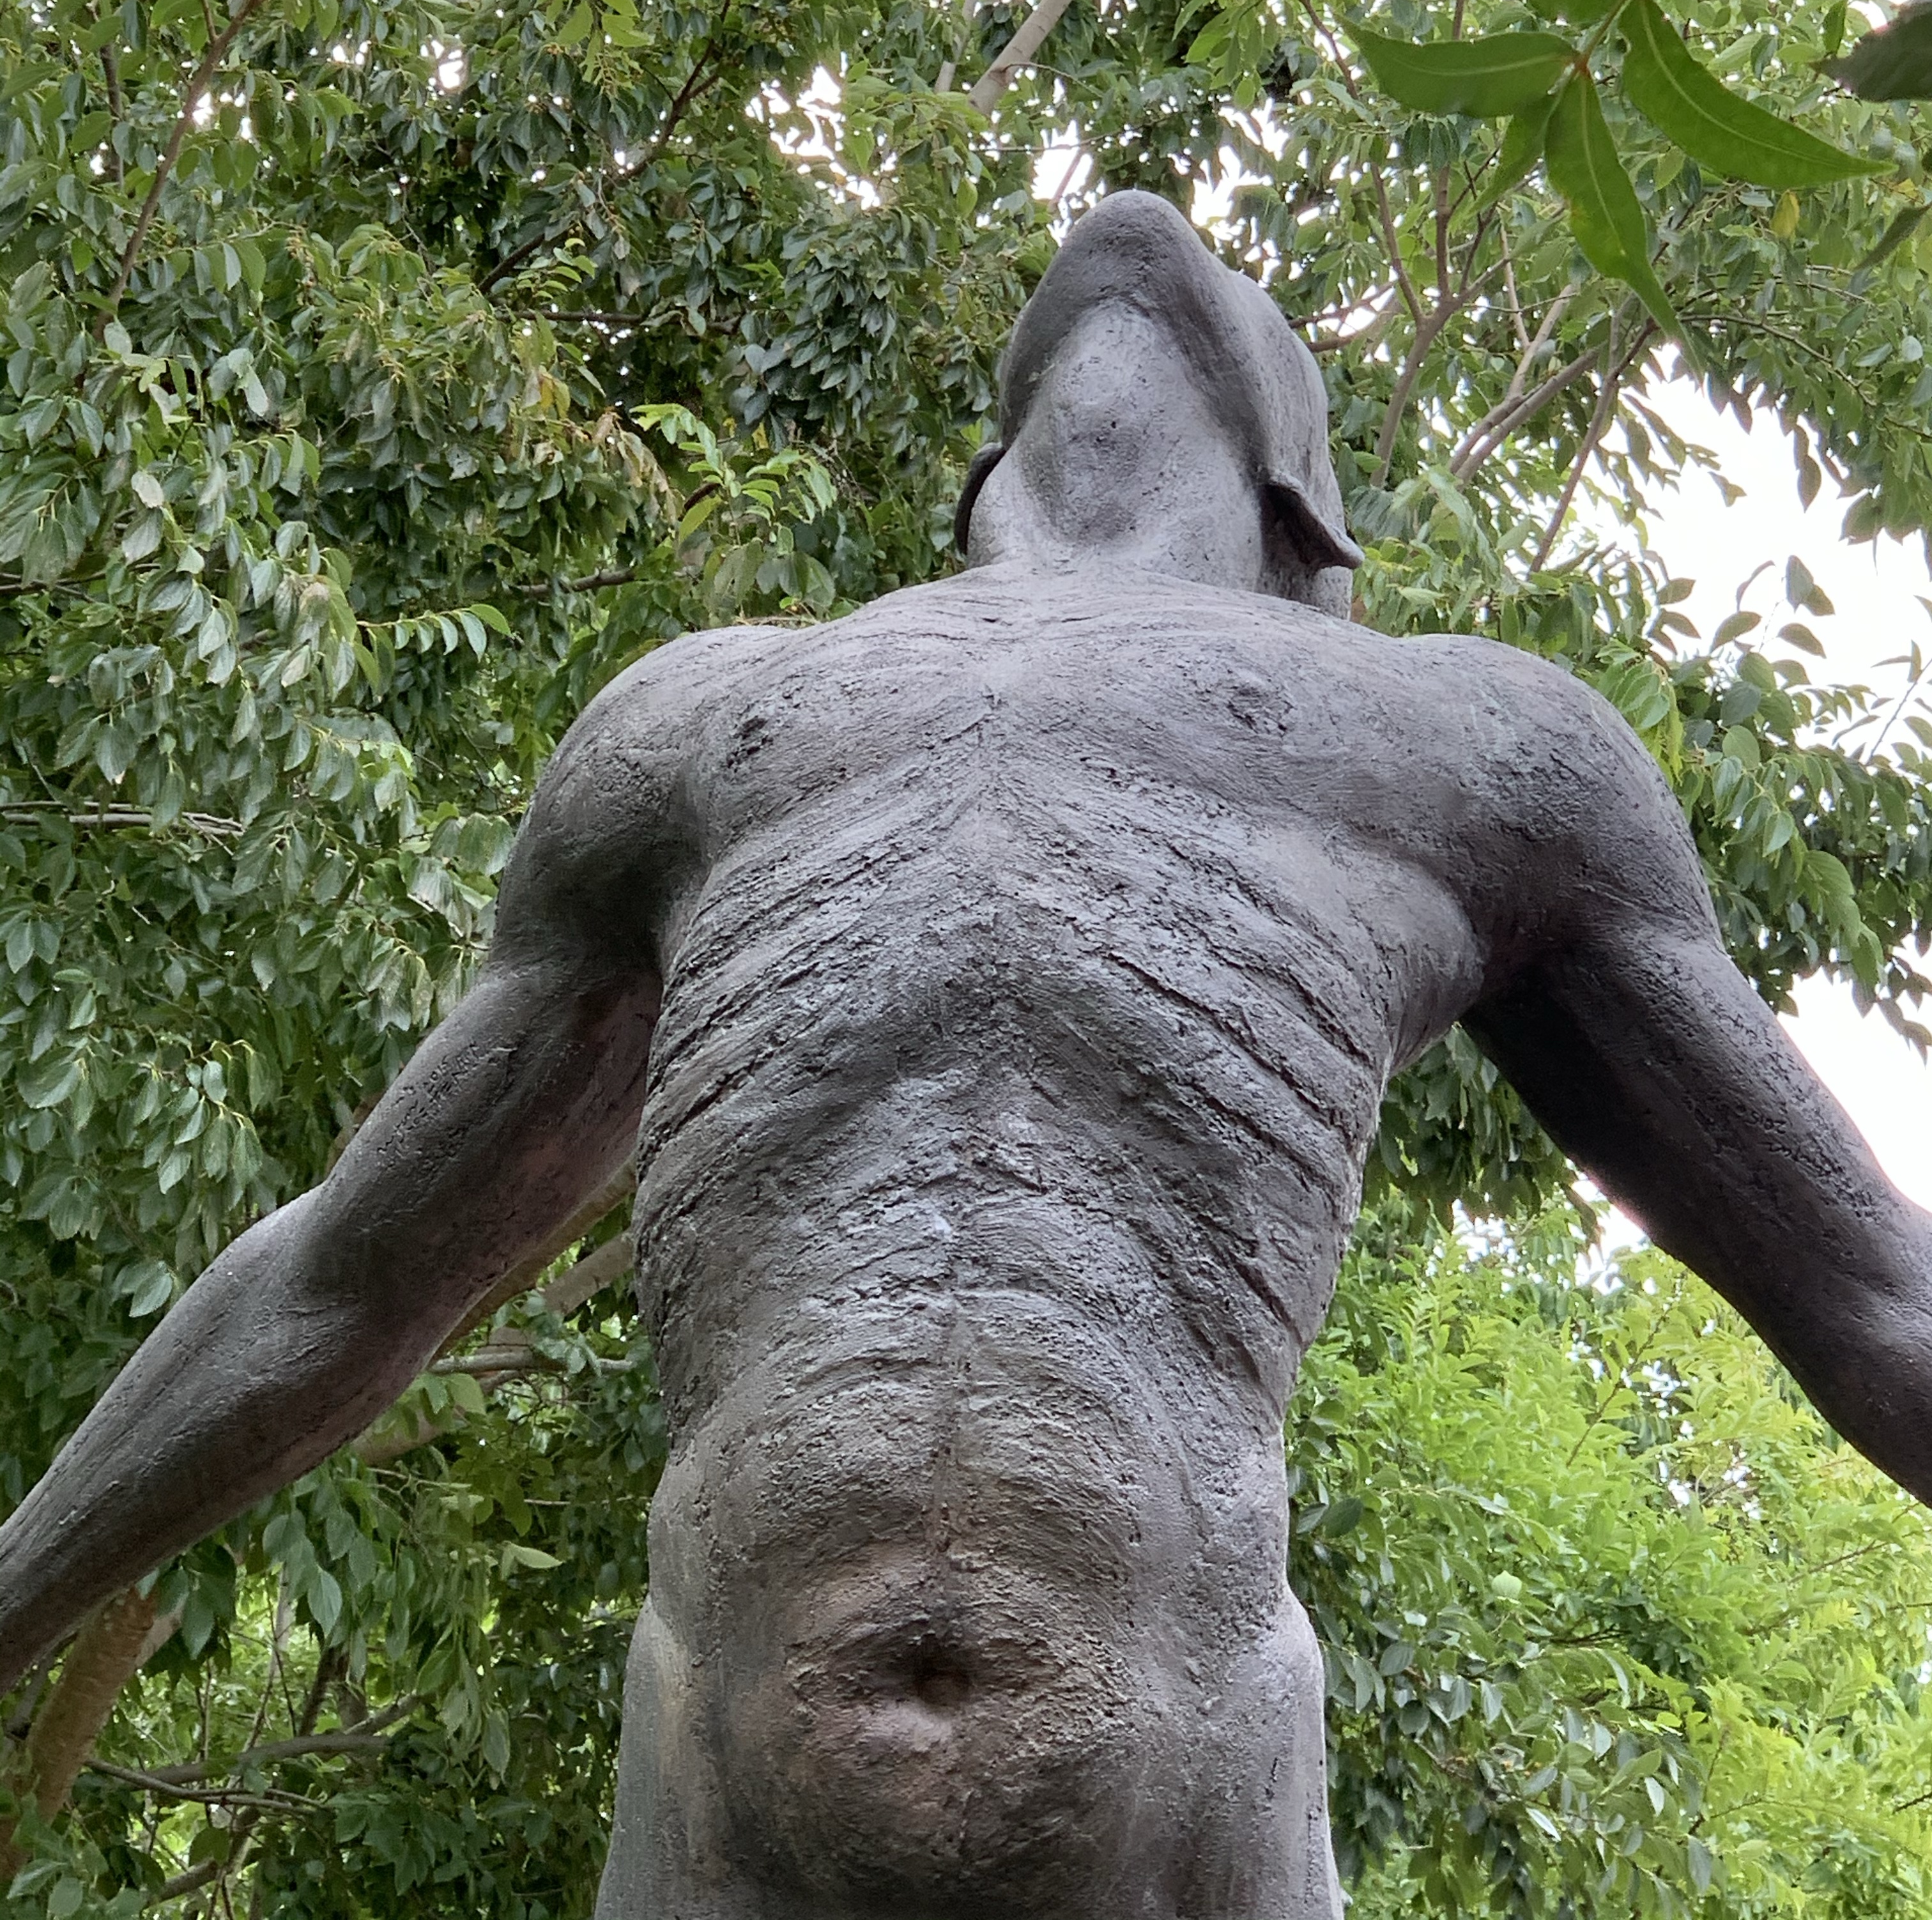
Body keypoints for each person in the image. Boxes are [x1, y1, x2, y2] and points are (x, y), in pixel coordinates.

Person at [3, 189, 1929, 1920]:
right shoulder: (710, 725)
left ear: (1309, 544)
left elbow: (1869, 1298)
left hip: (1192, 1774)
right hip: (716, 1780)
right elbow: (349, 1277)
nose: (1141, 235)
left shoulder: (1454, 746)